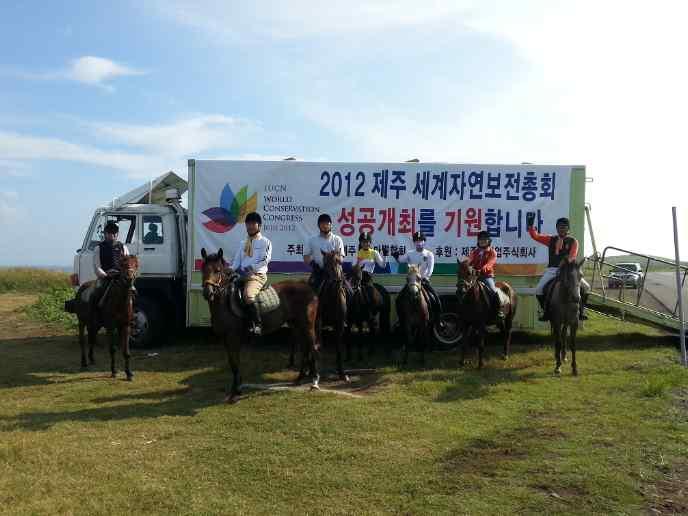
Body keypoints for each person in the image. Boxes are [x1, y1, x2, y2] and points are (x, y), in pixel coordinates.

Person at [526, 213, 590, 321]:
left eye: (564, 227)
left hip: (568, 271)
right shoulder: (550, 239)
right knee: (538, 290)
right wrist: (531, 226)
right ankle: (545, 312)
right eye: (560, 227)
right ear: (556, 228)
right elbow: (535, 236)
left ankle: (581, 312)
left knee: (586, 287)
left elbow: (572, 256)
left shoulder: (573, 241)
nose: (562, 229)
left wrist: (565, 262)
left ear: (568, 229)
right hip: (552, 270)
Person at [391, 231, 444, 327]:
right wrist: (395, 255)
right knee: (398, 299)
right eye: (416, 241)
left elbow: (430, 269)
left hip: (423, 281)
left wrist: (425, 278)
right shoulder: (410, 253)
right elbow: (401, 260)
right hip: (412, 282)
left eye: (421, 240)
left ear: (424, 241)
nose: (419, 242)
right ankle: (400, 320)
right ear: (414, 242)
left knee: (435, 299)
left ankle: (438, 320)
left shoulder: (429, 254)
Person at [231, 212, 272, 336]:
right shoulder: (243, 243)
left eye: (253, 224)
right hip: (242, 275)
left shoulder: (265, 242)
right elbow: (236, 262)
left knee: (248, 296)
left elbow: (265, 260)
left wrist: (251, 268)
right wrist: (229, 269)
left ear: (259, 225)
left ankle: (257, 324)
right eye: (248, 224)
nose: (250, 226)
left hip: (257, 276)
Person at [467, 230, 505, 322]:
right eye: (480, 239)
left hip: (486, 276)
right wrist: (467, 267)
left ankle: (499, 311)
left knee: (493, 290)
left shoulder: (492, 252)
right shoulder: (474, 252)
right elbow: (469, 261)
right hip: (474, 277)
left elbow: (489, 264)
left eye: (485, 239)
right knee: (465, 289)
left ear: (489, 241)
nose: (482, 241)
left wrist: (481, 270)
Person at [92, 221, 130, 310]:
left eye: (114, 232)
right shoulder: (99, 248)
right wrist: (105, 275)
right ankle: (93, 315)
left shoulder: (123, 247)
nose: (112, 234)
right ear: (105, 234)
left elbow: (128, 263)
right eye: (109, 232)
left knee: (133, 291)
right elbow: (97, 267)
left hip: (120, 277)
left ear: (117, 234)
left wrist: (124, 274)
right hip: (105, 277)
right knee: (96, 292)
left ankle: (133, 315)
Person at [303, 213, 345, 292]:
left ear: (331, 225)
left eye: (327, 223)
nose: (325, 226)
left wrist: (335, 257)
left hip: (335, 273)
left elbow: (341, 259)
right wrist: (313, 264)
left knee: (349, 291)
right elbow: (306, 257)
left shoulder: (337, 239)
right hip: (319, 272)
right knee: (309, 292)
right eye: (322, 224)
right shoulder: (312, 240)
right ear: (319, 226)